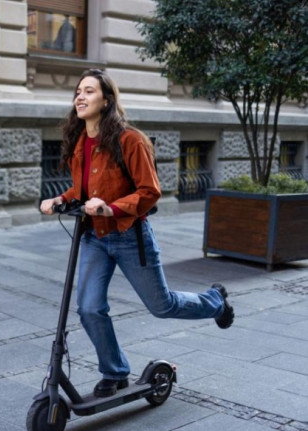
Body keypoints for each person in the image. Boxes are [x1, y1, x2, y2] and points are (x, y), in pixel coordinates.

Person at [39, 69, 234, 398]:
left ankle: (215, 302)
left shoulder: (131, 140)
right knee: (89, 308)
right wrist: (62, 199)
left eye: (89, 91)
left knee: (162, 305)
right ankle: (114, 372)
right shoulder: (79, 143)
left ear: (107, 100)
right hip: (94, 238)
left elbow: (150, 191)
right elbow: (83, 188)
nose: (80, 97)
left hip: (130, 236)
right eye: (78, 91)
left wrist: (110, 208)